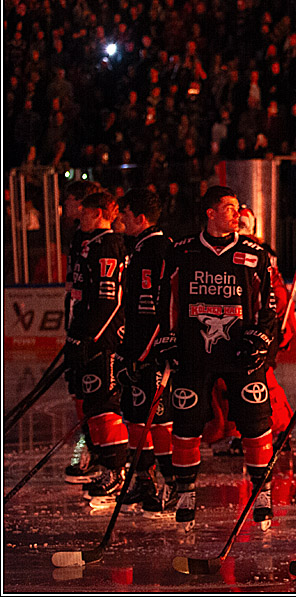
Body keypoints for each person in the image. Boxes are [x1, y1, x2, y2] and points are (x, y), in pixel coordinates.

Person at [156, 185, 279, 532]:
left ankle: (263, 491)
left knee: (256, 423)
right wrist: (167, 338)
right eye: (228, 208)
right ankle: (185, 493)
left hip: (241, 354)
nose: (237, 214)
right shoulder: (182, 251)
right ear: (209, 213)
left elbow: (268, 306)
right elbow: (168, 300)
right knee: (187, 424)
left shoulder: (255, 253)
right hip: (194, 353)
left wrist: (260, 338)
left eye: (238, 208)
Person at [205, 206, 296, 456]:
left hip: (257, 330)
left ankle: (275, 429)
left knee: (260, 382)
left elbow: (275, 292)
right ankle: (242, 431)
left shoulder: (257, 254)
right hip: (236, 329)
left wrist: (271, 327)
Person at [112, 188, 176, 516]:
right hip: (137, 350)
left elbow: (157, 312)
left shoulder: (157, 250)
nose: (119, 220)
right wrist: (126, 352)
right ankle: (145, 480)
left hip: (153, 355)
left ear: (141, 218)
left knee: (159, 419)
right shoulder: (138, 249)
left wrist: (143, 355)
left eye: (125, 215)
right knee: (136, 418)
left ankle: (170, 483)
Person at [65, 189, 129, 507]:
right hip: (85, 335)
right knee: (89, 401)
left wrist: (88, 338)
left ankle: (114, 471)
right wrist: (74, 337)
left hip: (103, 341)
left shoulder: (108, 245)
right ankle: (100, 461)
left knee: (105, 403)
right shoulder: (84, 241)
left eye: (86, 211)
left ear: (100, 213)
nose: (80, 215)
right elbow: (76, 296)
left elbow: (109, 300)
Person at [60, 180, 105, 485]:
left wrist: (87, 335)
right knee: (79, 393)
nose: (65, 208)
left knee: (96, 396)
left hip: (95, 334)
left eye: (70, 202)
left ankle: (100, 454)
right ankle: (91, 448)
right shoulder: (78, 237)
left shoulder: (105, 241)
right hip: (77, 323)